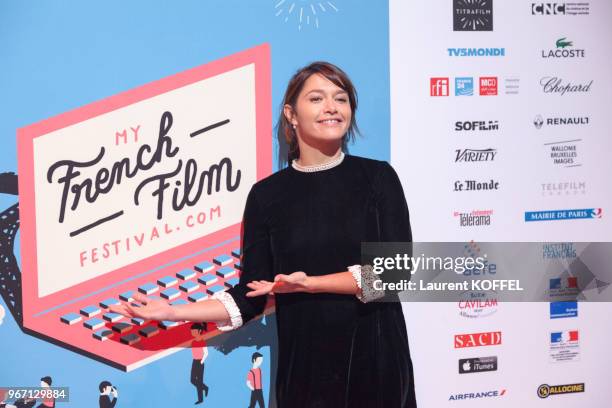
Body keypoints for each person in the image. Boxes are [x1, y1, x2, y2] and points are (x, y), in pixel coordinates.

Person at [111, 61, 417, 407]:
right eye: (317, 98)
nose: (332, 107)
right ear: (291, 114)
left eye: (341, 98)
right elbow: (250, 295)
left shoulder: (377, 178)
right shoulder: (267, 195)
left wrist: (310, 284)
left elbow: (394, 274)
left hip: (376, 363)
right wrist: (172, 312)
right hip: (305, 368)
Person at [189, 323, 210, 404]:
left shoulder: (202, 341)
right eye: (192, 331)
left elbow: (206, 353)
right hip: (194, 361)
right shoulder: (193, 342)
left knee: (199, 381)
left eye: (194, 331)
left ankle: (200, 399)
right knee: (192, 380)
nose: (192, 333)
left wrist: (201, 361)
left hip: (200, 362)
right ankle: (205, 387)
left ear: (199, 331)